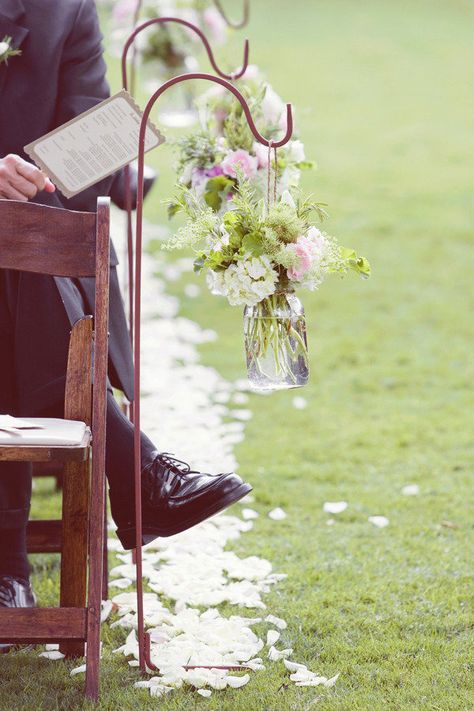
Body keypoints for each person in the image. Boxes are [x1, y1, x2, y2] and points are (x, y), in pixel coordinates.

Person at [0, 0, 251, 630]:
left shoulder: (64, 11)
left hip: (34, 261)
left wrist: (59, 176)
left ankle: (8, 573)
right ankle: (139, 471)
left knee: (30, 264)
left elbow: (85, 147)